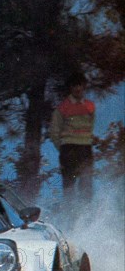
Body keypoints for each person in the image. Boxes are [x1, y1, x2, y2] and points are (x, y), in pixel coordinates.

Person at [50, 72, 95, 201]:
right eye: (74, 85)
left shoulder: (90, 106)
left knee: (86, 185)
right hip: (69, 149)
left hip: (85, 148)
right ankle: (69, 216)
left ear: (84, 87)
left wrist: (86, 141)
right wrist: (63, 147)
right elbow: (54, 131)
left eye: (80, 85)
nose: (77, 88)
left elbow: (90, 126)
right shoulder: (63, 107)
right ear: (70, 88)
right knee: (69, 185)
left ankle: (86, 215)